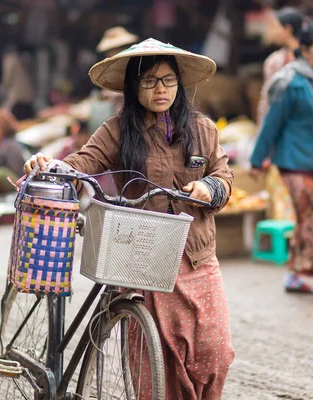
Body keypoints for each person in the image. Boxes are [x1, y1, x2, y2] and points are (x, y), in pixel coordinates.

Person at [23, 38, 234, 399]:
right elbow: (82, 163)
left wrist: (210, 187)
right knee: (153, 365)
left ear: (179, 84)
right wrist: (50, 164)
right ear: (133, 87)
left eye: (168, 80)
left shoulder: (203, 130)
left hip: (196, 256)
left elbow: (224, 177)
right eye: (149, 81)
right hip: (142, 257)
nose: (161, 89)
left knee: (216, 354)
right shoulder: (117, 130)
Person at [250, 22, 313, 300]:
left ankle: (295, 275)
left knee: (307, 218)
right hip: (293, 162)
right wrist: (258, 159)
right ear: (304, 50)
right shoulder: (290, 83)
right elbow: (272, 123)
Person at [257, 7, 305, 126]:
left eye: (275, 27)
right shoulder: (274, 60)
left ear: (287, 29)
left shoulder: (311, 57)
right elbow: (267, 99)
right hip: (279, 123)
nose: (272, 32)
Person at [0, 46, 36, 120]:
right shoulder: (20, 59)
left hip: (18, 99)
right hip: (28, 97)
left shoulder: (9, 60)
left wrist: (2, 89)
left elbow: (7, 80)